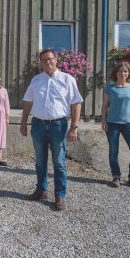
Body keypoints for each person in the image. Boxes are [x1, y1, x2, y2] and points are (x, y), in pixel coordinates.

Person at [20, 48, 83, 211]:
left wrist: (74, 127)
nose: (48, 62)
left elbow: (76, 103)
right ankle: (41, 190)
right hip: (38, 125)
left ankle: (59, 195)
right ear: (40, 62)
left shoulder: (67, 79)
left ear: (56, 59)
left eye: (50, 58)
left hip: (58, 125)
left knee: (59, 162)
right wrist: (23, 123)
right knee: (40, 161)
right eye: (44, 60)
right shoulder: (36, 80)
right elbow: (28, 102)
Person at [101, 62, 130, 190]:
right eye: (120, 71)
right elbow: (104, 106)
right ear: (116, 73)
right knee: (114, 151)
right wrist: (103, 120)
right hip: (112, 123)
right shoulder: (109, 88)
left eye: (125, 71)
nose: (123, 73)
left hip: (129, 124)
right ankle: (116, 176)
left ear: (128, 73)